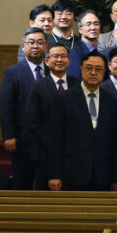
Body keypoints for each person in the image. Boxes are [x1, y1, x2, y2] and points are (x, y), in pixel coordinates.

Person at [48, 51, 117, 191]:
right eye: (89, 68)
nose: (93, 72)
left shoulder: (112, 102)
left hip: (103, 176)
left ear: (104, 72)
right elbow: (55, 140)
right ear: (81, 69)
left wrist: (116, 177)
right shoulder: (64, 99)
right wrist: (54, 174)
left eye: (98, 69)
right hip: (72, 174)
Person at [25, 43, 79, 190]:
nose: (59, 60)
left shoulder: (78, 85)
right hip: (45, 153)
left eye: (63, 56)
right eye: (55, 56)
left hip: (74, 154)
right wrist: (52, 144)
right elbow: (33, 121)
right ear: (47, 61)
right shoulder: (37, 86)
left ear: (69, 61)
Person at [0, 27, 48, 190]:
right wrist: (9, 135)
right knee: (22, 184)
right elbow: (6, 107)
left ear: (46, 46)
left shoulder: (53, 71)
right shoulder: (12, 73)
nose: (35, 46)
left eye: (40, 42)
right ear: (23, 46)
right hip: (22, 139)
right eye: (31, 42)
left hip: (47, 140)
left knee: (45, 186)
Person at [67, 10, 101, 78]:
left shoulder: (99, 52)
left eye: (96, 24)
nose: (93, 27)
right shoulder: (75, 54)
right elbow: (74, 80)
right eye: (88, 24)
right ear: (80, 30)